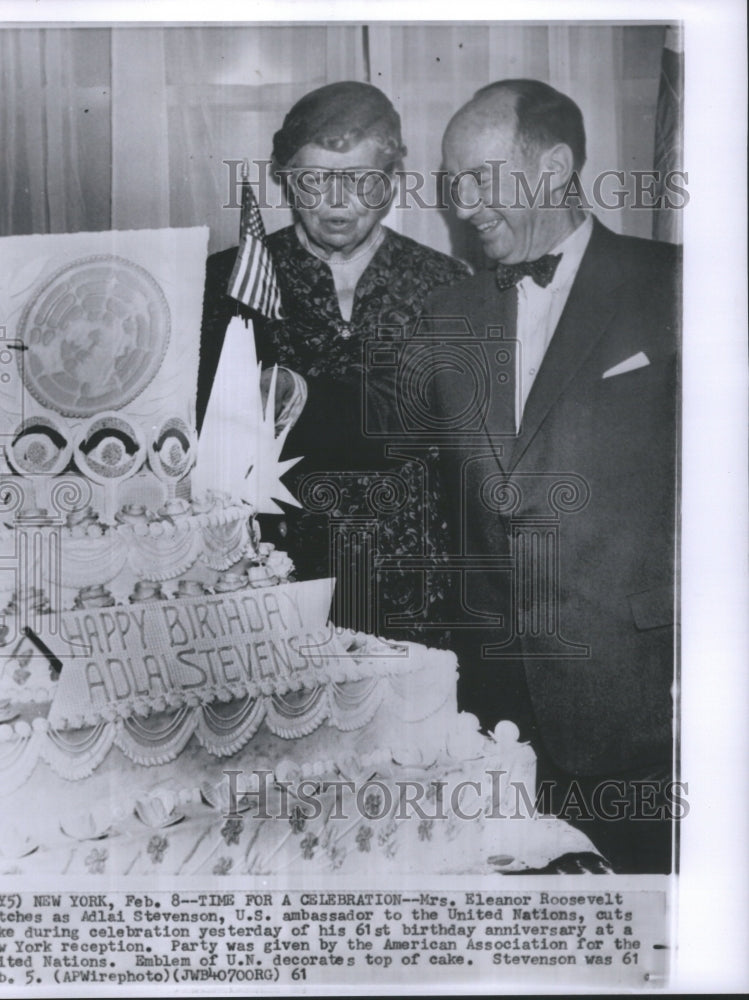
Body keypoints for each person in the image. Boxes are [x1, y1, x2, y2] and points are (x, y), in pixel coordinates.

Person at [421, 79, 680, 872]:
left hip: (639, 706)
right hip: (492, 723)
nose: (463, 206)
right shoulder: (445, 317)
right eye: (451, 184)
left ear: (555, 165)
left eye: (480, 178)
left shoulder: (679, 285)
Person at [197, 81, 469, 641]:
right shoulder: (227, 280)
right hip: (273, 584)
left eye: (362, 180)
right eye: (315, 179)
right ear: (285, 179)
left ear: (392, 180)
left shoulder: (448, 285)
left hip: (418, 586)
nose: (337, 201)